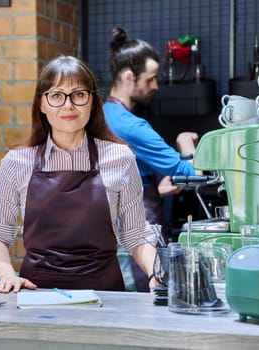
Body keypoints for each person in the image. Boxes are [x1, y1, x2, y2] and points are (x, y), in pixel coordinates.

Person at [0, 55, 161, 293]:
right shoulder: (17, 162)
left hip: (105, 294)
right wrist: (8, 275)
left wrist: (156, 272)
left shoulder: (120, 158)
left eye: (79, 95)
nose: (68, 105)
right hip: (35, 294)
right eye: (56, 96)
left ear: (93, 101)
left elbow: (136, 235)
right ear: (41, 104)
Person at [103, 27, 198, 292]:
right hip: (139, 228)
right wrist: (184, 142)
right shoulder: (130, 126)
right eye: (151, 79)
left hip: (115, 229)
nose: (156, 86)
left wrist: (155, 187)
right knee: (149, 296)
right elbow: (188, 171)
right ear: (129, 77)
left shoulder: (103, 116)